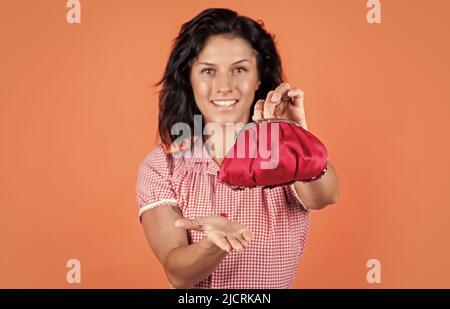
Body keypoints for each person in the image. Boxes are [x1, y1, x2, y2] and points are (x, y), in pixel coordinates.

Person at [135, 8, 340, 289]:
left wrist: (297, 141)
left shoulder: (281, 156)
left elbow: (326, 196)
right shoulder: (163, 166)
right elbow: (178, 274)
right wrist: (214, 244)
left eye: (239, 69)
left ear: (258, 78)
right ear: (189, 78)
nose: (224, 86)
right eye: (208, 70)